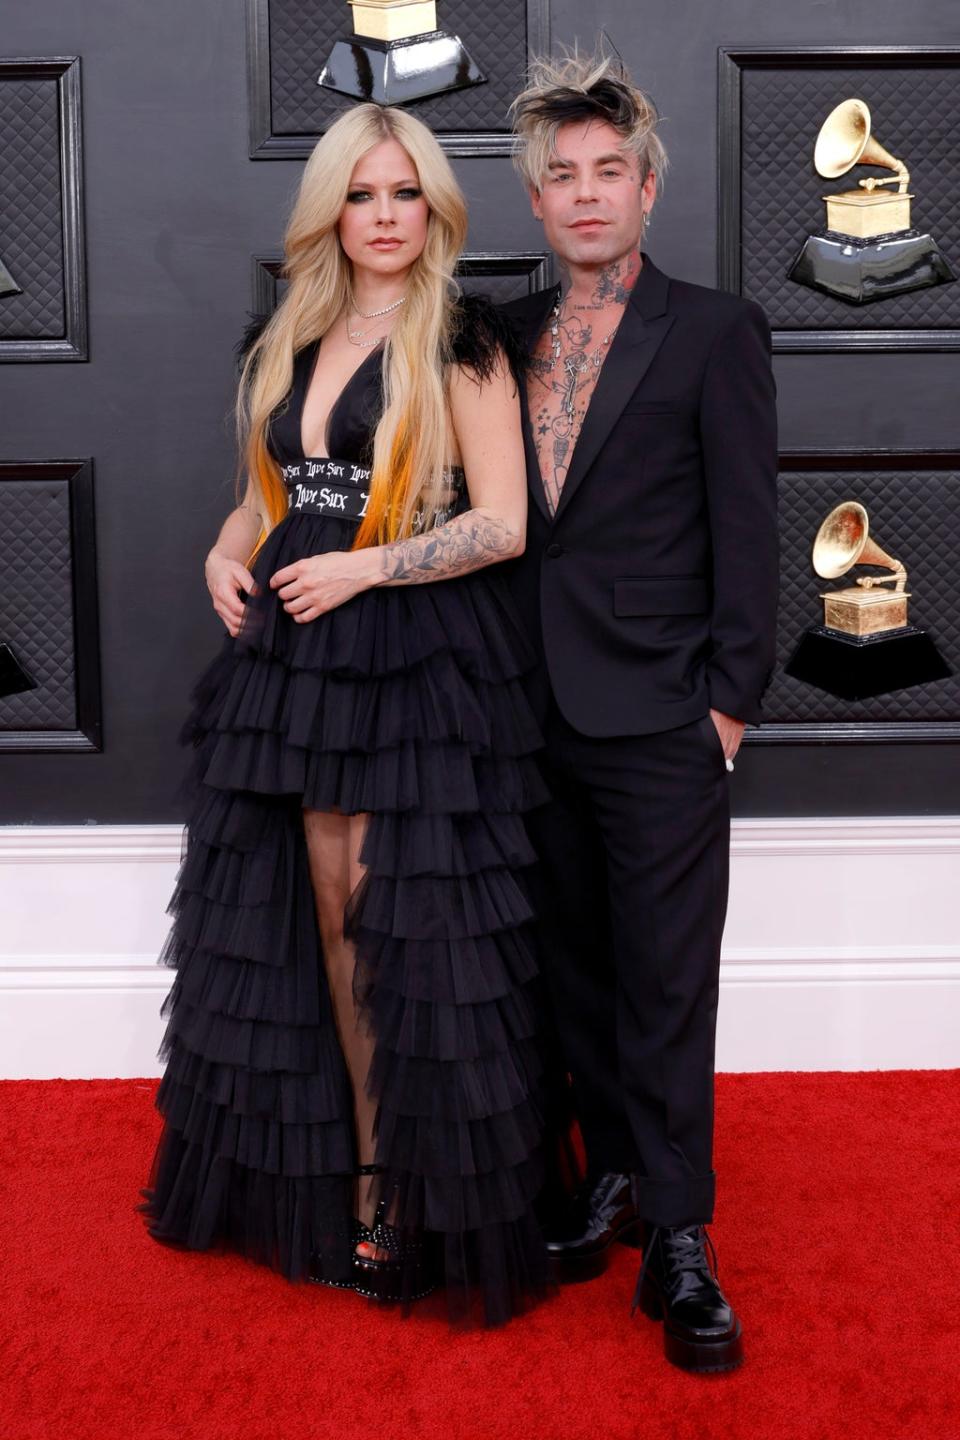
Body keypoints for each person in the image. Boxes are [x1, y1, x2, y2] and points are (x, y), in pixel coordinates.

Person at [138, 102, 551, 1326]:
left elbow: (503, 523)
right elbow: (265, 497)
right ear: (331, 209)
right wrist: (226, 550)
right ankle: (345, 1167)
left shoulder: (463, 336)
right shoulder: (287, 334)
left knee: (394, 930)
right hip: (291, 652)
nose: (384, 216)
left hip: (406, 655)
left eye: (404, 194)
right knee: (315, 920)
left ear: (433, 209)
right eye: (363, 195)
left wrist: (368, 567)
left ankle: (398, 1188)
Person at [501, 52, 779, 1371]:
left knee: (666, 980)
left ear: (648, 189)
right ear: (537, 202)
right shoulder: (499, 336)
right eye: (562, 176)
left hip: (665, 716)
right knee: (568, 969)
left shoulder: (716, 331)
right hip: (525, 711)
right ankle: (608, 1179)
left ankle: (679, 1237)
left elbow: (749, 528)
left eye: (610, 170)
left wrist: (728, 709)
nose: (587, 193)